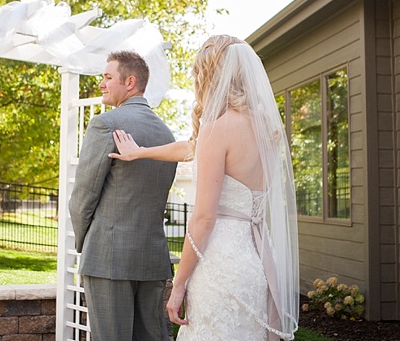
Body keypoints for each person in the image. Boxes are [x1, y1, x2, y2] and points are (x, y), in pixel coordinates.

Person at [109, 35, 299, 340]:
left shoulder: (217, 129)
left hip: (219, 265)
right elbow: (193, 147)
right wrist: (141, 151)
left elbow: (203, 218)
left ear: (209, 75)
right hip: (256, 262)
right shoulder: (268, 128)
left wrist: (179, 283)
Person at [68, 51, 178, 341]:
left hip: (108, 258)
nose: (101, 84)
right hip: (152, 259)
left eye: (107, 77)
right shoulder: (167, 135)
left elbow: (82, 197)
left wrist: (86, 244)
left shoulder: (105, 124)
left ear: (129, 82)